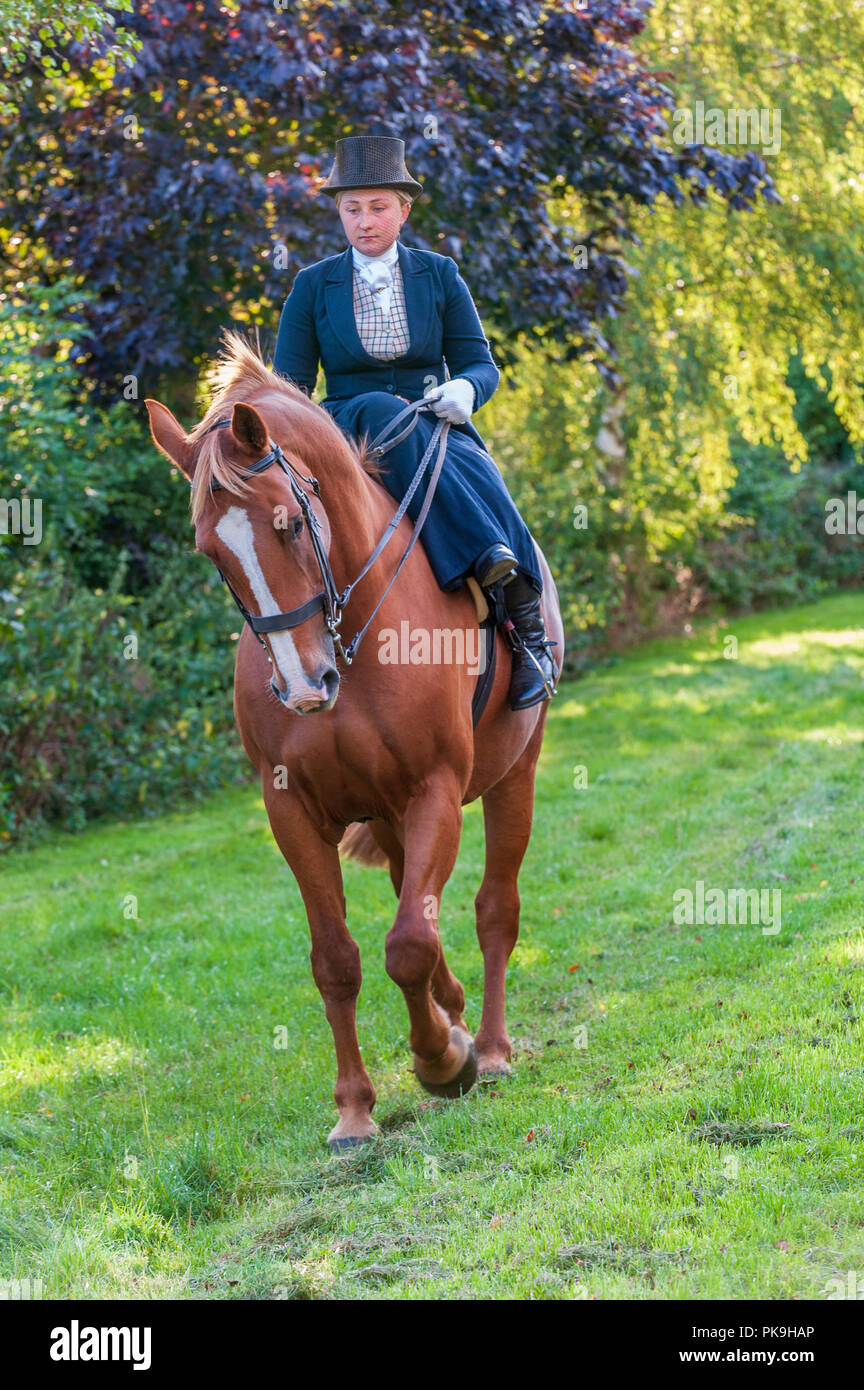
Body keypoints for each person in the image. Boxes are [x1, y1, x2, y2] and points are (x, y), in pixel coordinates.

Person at [273, 134, 557, 709]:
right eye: (351, 209)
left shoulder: (440, 274)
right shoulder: (311, 286)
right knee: (379, 407)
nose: (364, 221)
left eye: (378, 207)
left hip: (436, 424)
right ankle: (482, 557)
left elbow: (482, 364)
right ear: (339, 214)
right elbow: (291, 394)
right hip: (348, 432)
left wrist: (467, 390)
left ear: (404, 209)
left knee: (486, 475)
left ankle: (528, 634)